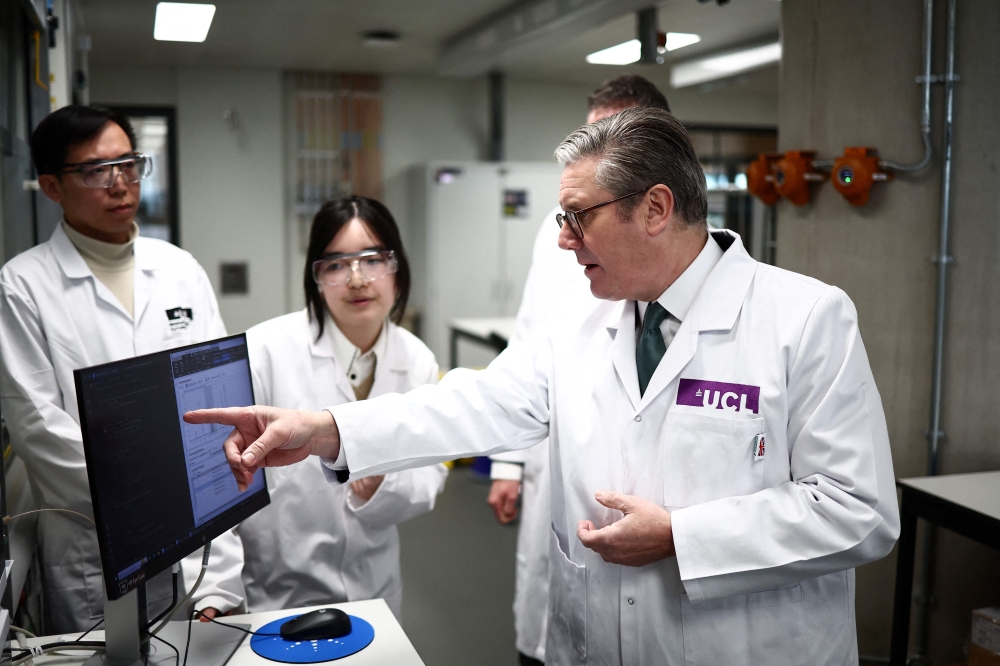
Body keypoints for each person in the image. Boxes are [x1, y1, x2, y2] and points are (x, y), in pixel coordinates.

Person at [190, 108, 900, 665]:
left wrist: (684, 536)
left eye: (577, 216)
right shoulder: (582, 320)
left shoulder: (802, 318)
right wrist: (328, 430)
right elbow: (477, 402)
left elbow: (860, 511)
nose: (563, 240)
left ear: (655, 209)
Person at [0, 105, 226, 632]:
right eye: (97, 171)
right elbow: (39, 427)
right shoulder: (22, 286)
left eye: (128, 164)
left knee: (197, 645)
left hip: (195, 529)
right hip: (91, 543)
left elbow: (217, 394)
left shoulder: (178, 268)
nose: (121, 184)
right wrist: (152, 494)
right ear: (52, 187)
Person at [486, 74, 671, 666]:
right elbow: (528, 338)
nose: (572, 238)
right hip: (553, 442)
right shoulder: (559, 228)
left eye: (609, 139)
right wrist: (508, 462)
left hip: (653, 525)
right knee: (552, 630)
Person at [191, 196, 448, 621]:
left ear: (397, 269)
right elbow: (219, 476)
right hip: (275, 594)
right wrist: (217, 589)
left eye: (372, 260)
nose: (357, 279)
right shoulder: (264, 351)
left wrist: (379, 487)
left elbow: (429, 479)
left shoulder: (417, 360)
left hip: (375, 595)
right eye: (335, 265)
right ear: (316, 277)